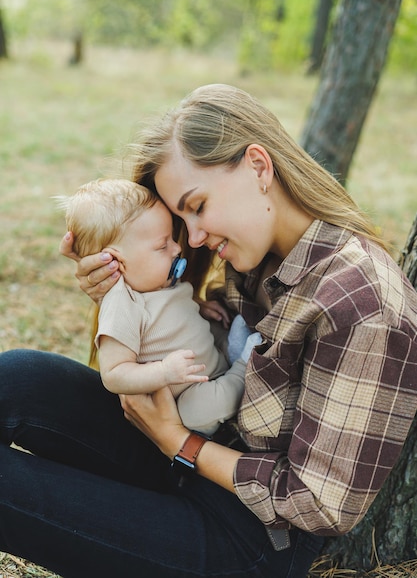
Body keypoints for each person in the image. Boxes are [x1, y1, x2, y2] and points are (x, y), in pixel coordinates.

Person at [1, 83, 416, 578]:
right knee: (17, 376)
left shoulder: (363, 306)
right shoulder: (258, 251)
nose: (192, 238)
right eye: (181, 219)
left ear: (259, 167)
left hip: (246, 539)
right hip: (182, 441)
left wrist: (179, 443)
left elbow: (319, 503)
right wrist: (119, 289)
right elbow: (183, 329)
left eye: (197, 207)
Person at [58, 177, 259, 435]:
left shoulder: (157, 282)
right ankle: (243, 367)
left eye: (172, 239)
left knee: (216, 327)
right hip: (186, 395)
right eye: (163, 245)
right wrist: (164, 372)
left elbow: (172, 307)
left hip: (206, 358)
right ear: (116, 261)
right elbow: (113, 374)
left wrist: (200, 306)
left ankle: (231, 347)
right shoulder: (122, 303)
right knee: (197, 411)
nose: (176, 248)